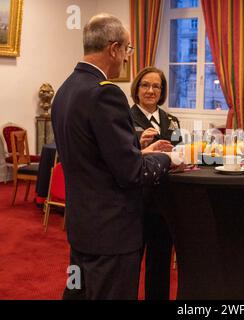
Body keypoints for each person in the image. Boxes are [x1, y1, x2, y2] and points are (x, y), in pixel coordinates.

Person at [51, 13, 179, 300]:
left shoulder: (66, 89)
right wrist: (169, 159)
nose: (126, 58)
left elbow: (90, 151)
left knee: (78, 293)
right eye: (127, 49)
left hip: (83, 225)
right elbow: (133, 173)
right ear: (114, 49)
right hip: (112, 233)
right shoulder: (106, 93)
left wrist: (138, 148)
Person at [129, 67, 180, 300]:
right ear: (137, 88)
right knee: (130, 263)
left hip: (165, 202)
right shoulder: (123, 118)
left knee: (159, 264)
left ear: (162, 91)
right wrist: (140, 147)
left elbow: (179, 155)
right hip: (136, 201)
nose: (151, 90)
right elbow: (121, 158)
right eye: (145, 85)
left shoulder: (172, 120)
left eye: (156, 86)